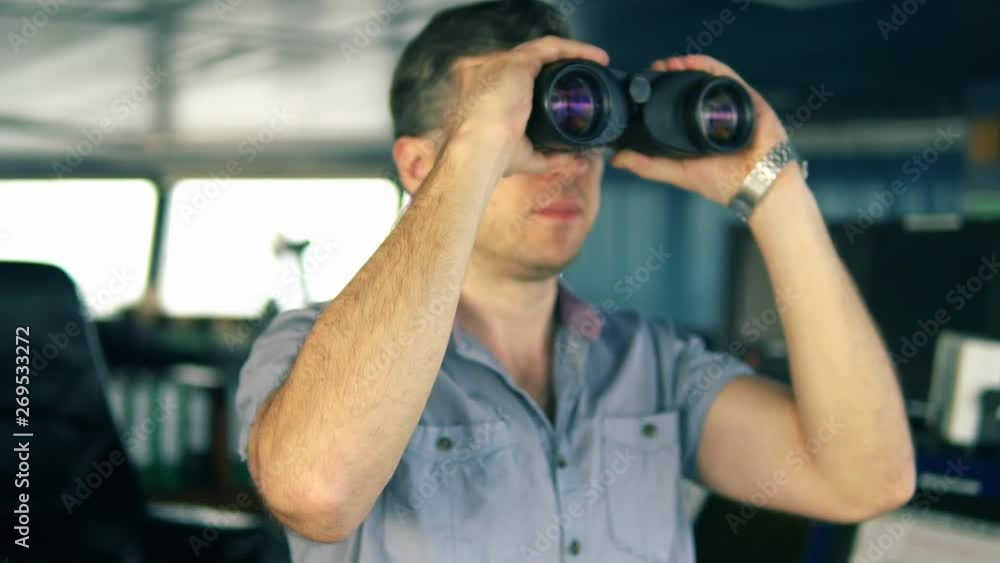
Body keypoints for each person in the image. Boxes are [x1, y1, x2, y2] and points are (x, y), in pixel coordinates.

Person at [235, 2, 916, 561]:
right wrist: (477, 145)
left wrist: (773, 186)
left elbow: (866, 477)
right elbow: (319, 492)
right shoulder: (310, 349)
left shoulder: (652, 363)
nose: (565, 164)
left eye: (580, 126)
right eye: (525, 132)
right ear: (418, 165)